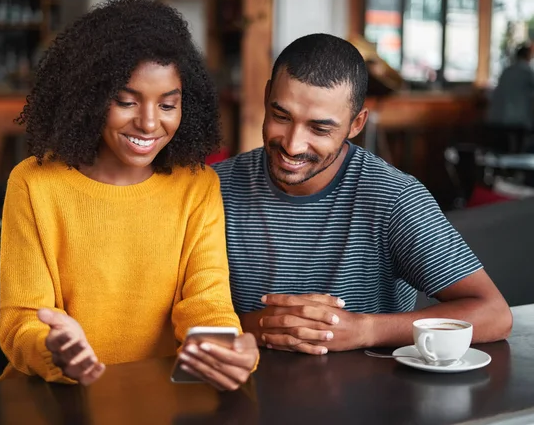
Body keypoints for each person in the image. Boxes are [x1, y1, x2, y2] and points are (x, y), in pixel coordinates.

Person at [0, 0, 258, 389]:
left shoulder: (197, 185)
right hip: (53, 398)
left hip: (157, 396)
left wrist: (221, 351)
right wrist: (54, 349)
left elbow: (207, 302)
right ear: (90, 97)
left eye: (168, 104)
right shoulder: (35, 183)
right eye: (126, 101)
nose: (150, 123)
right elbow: (21, 321)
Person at [212, 34, 513, 355]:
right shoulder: (214, 188)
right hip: (244, 392)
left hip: (373, 398)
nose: (293, 144)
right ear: (267, 95)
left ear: (356, 124)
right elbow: (171, 317)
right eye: (282, 116)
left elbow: (494, 314)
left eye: (320, 129)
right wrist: (256, 327)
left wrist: (365, 329)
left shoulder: (394, 198)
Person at [487, 43, 534, 152]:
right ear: (528, 56)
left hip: (499, 119)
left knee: (504, 150)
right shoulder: (527, 72)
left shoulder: (507, 71)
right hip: (518, 121)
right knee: (517, 151)